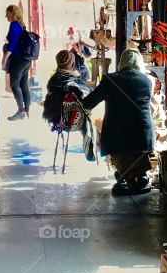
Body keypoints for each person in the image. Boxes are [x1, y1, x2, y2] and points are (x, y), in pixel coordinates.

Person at [81, 48, 156, 196]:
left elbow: (88, 103)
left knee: (122, 161)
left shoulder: (110, 80)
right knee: (137, 163)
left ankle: (125, 178)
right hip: (142, 134)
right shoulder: (148, 81)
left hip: (117, 137)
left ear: (121, 62)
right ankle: (137, 178)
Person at [43, 50, 90, 129]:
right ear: (72, 64)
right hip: (72, 120)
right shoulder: (73, 83)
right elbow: (87, 97)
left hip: (55, 117)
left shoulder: (52, 80)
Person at [2, 3, 31, 120]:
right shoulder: (20, 25)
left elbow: (12, 45)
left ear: (12, 13)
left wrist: (4, 58)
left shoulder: (14, 25)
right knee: (23, 84)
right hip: (26, 59)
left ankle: (21, 111)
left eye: (7, 13)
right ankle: (27, 110)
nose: (6, 16)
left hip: (19, 59)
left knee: (14, 85)